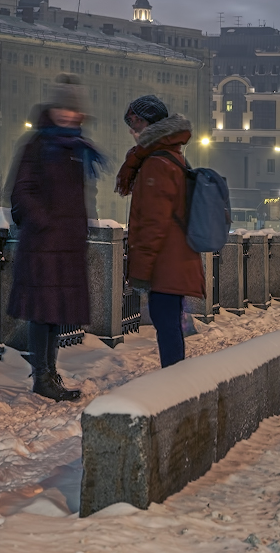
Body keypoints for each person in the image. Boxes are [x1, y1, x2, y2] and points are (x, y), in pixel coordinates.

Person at [8, 74, 105, 402]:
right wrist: (45, 222)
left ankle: (50, 372)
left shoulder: (77, 149)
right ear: (53, 110)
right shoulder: (38, 144)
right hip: (43, 244)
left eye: (72, 109)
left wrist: (81, 227)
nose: (67, 114)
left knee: (55, 314)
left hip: (66, 244)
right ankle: (42, 377)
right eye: (62, 108)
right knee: (43, 313)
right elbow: (21, 190)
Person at [116, 94, 203, 368]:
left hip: (167, 265)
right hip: (175, 261)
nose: (132, 129)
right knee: (170, 327)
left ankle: (173, 390)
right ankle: (175, 385)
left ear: (152, 124)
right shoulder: (171, 157)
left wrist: (140, 273)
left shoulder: (156, 163)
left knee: (167, 328)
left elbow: (152, 224)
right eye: (130, 122)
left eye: (136, 121)